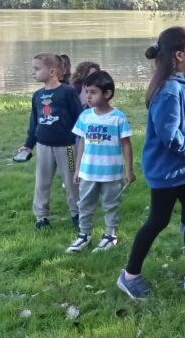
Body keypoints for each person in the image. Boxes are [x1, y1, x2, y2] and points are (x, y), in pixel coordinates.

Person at [116, 27, 185, 299]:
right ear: (179, 55)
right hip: (167, 170)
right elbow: (169, 136)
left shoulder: (182, 82)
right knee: (158, 220)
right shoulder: (168, 90)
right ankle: (129, 276)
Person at [66, 71, 134, 253]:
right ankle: (84, 235)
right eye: (86, 91)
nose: (88, 96)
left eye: (93, 92)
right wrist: (77, 169)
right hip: (88, 172)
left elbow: (126, 145)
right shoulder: (85, 116)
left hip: (111, 173)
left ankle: (110, 236)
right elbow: (81, 143)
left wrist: (129, 170)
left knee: (110, 205)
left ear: (107, 94)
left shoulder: (118, 117)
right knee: (84, 205)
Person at [18, 53, 84, 230]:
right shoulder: (37, 95)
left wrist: (81, 142)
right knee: (42, 182)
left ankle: (77, 213)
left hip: (68, 147)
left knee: (72, 181)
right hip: (44, 147)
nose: (33, 72)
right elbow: (34, 122)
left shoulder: (67, 92)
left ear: (52, 71)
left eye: (37, 69)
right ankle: (41, 217)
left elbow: (79, 117)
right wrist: (28, 145)